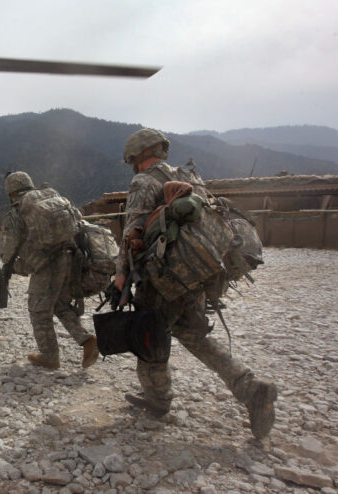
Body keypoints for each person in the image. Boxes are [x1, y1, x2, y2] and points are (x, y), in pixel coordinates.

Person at [114, 128, 277, 439]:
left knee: (149, 335)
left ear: (136, 156)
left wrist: (121, 275)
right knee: (195, 336)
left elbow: (132, 235)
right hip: (198, 275)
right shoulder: (186, 178)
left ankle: (158, 400)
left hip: (164, 279)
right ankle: (250, 388)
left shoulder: (142, 182)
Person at [0, 171, 99, 370]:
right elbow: (78, 219)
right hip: (71, 257)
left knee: (38, 310)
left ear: (10, 192)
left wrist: (9, 265)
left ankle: (49, 356)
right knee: (60, 304)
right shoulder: (52, 197)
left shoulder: (20, 210)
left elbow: (9, 248)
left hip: (46, 265)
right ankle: (87, 340)